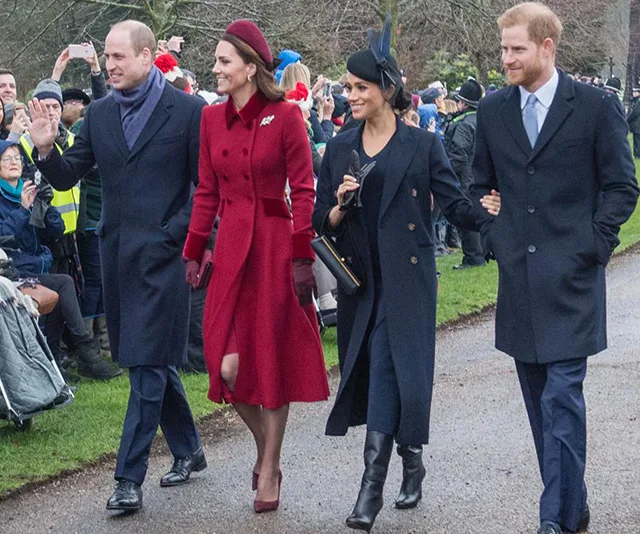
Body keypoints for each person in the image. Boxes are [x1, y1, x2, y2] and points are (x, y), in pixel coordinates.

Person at [312, 15, 491, 533]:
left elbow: (455, 204)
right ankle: (411, 454)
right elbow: (319, 218)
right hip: (360, 283)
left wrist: (494, 217)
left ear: (387, 90)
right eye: (347, 87)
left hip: (408, 283)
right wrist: (342, 206)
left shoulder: (421, 145)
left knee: (393, 371)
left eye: (360, 87)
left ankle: (370, 490)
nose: (350, 95)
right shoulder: (340, 145)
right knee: (373, 375)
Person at [471, 4, 639, 534]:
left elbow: (622, 185)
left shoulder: (593, 106)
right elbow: (477, 185)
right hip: (518, 284)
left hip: (573, 283)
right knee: (543, 412)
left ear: (547, 47)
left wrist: (594, 244)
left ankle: (555, 523)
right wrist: (492, 230)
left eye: (517, 49)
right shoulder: (493, 111)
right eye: (503, 49)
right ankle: (575, 507)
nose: (506, 59)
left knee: (562, 403)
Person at [27, 20, 206, 513]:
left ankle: (128, 478)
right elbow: (69, 172)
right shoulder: (100, 114)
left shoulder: (188, 111)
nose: (109, 65)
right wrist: (45, 148)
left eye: (118, 57)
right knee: (147, 359)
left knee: (147, 366)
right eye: (106, 57)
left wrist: (175, 234)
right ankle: (190, 449)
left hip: (166, 259)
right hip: (116, 258)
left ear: (148, 57)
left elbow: (204, 188)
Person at [183, 19, 329, 513]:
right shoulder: (210, 119)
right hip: (229, 251)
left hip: (272, 246)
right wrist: (194, 248)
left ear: (250, 67)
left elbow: (304, 189)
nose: (216, 68)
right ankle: (267, 452)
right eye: (217, 61)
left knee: (267, 358)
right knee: (223, 367)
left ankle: (269, 466)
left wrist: (301, 255)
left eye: (225, 61)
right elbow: (206, 189)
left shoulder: (286, 116)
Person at [0, 140, 119, 381]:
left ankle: (56, 362)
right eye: (7, 159)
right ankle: (86, 354)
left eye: (17, 158)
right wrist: (24, 210)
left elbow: (56, 230)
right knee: (62, 283)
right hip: (10, 272)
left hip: (35, 265)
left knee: (59, 288)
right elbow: (5, 237)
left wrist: (47, 205)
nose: (14, 163)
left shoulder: (29, 189)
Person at [444, 77, 486, 269]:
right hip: (480, 174)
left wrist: (446, 175)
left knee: (465, 214)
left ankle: (473, 257)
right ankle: (482, 252)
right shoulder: (481, 119)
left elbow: (458, 154)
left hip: (464, 177)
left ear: (462, 103)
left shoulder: (462, 124)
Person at [627, 85, 640, 158]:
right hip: (635, 124)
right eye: (633, 91)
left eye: (635, 92)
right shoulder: (634, 100)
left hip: (637, 124)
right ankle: (636, 154)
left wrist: (628, 119)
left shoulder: (638, 101)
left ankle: (637, 154)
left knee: (637, 140)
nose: (634, 93)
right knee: (636, 139)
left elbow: (635, 112)